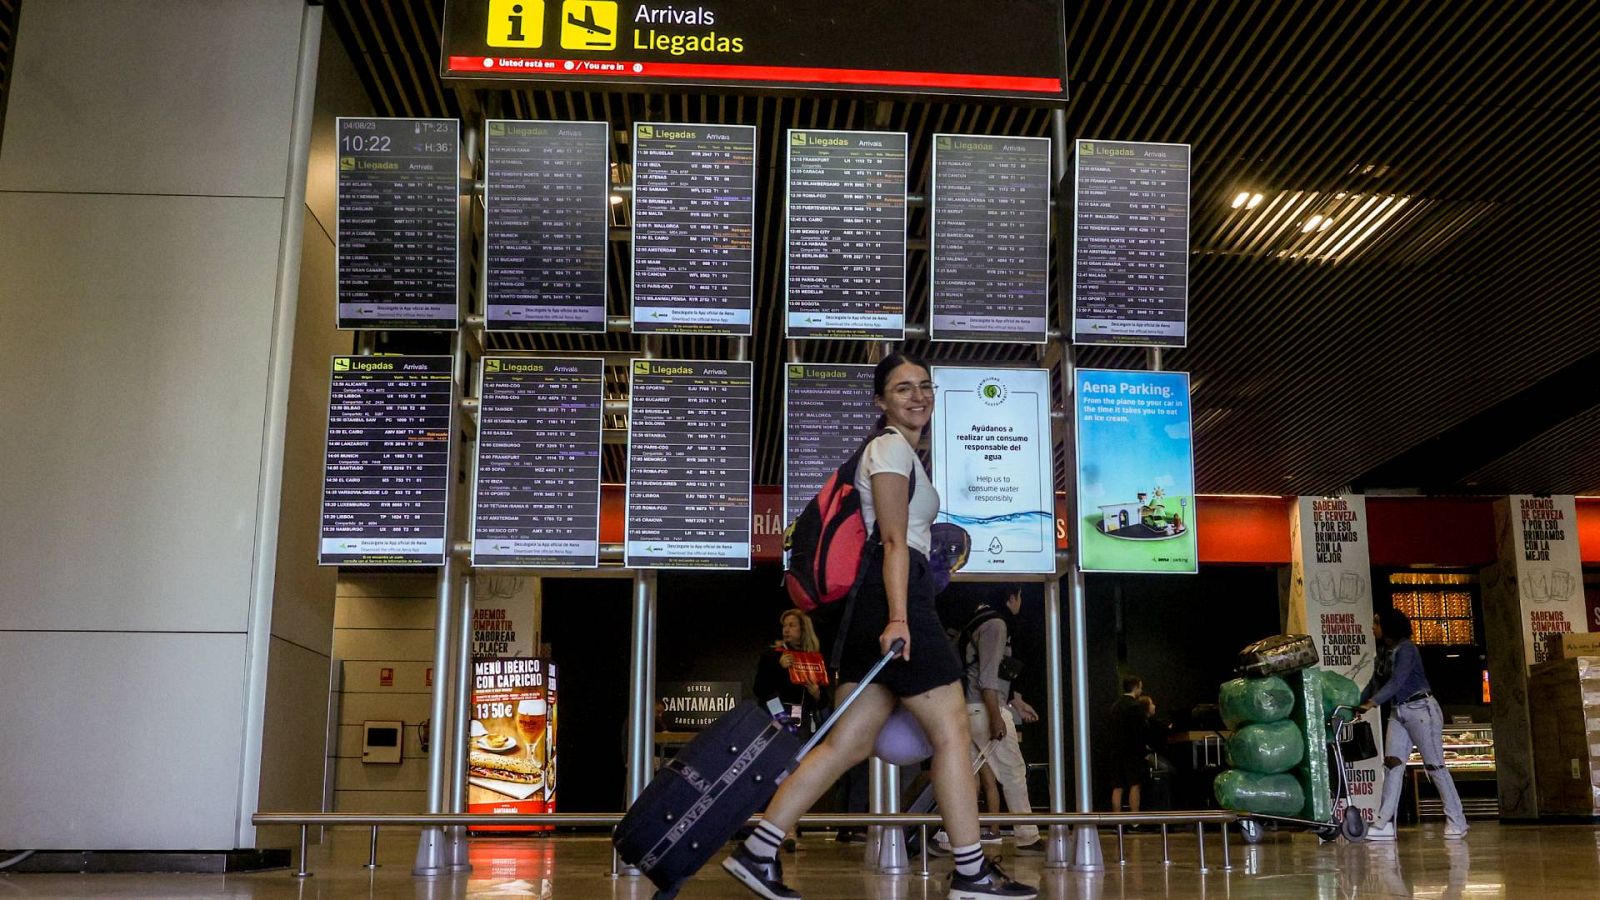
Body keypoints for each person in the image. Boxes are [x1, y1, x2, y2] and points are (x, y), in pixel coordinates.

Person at [723, 352, 1035, 900]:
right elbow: (892, 541)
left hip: (875, 607)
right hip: (896, 602)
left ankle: (758, 849)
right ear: (881, 402)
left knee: (848, 741)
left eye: (924, 387)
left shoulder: (900, 453)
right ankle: (970, 871)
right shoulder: (889, 449)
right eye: (902, 389)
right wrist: (898, 617)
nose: (918, 396)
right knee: (952, 733)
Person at [1359, 608, 1468, 841]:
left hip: (1421, 709)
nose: (1373, 627)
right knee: (1392, 765)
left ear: (1388, 626)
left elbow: (1398, 680)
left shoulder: (1407, 649)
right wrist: (1357, 704)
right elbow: (1375, 682)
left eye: (1376, 623)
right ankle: (1384, 822)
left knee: (1435, 766)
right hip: (1399, 711)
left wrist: (1372, 703)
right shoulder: (1384, 652)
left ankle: (1457, 820)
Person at [961, 586, 1042, 852]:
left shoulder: (975, 620)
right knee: (1014, 772)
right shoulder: (996, 624)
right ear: (1012, 598)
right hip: (985, 709)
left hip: (966, 709)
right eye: (1019, 597)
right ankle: (1027, 837)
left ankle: (948, 835)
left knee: (966, 777)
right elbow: (987, 677)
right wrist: (997, 716)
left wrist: (1014, 701)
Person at [754, 609, 826, 737]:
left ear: (804, 630)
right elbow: (759, 690)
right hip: (777, 720)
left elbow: (824, 701)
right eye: (784, 626)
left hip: (805, 723)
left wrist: (817, 694)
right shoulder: (772, 655)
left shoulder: (814, 659)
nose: (786, 630)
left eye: (792, 625)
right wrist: (778, 667)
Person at [1108, 675, 1146, 813]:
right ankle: (1134, 820)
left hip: (1115, 751)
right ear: (1135, 687)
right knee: (1134, 785)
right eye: (1140, 687)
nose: (1141, 691)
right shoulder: (1136, 706)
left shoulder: (1115, 706)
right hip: (1132, 752)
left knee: (1117, 787)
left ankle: (1117, 821)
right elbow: (1139, 732)